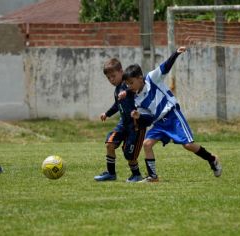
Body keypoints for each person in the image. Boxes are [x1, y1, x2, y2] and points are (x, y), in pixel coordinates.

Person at [121, 46, 222, 182]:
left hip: (172, 116)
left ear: (140, 78)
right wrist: (139, 117)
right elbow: (148, 118)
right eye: (127, 84)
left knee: (188, 145)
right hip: (159, 123)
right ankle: (153, 176)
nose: (129, 86)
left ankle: (212, 159)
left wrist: (176, 54)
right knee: (147, 144)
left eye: (131, 83)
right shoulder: (136, 98)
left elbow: (165, 67)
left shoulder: (152, 78)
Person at [94, 58, 152, 182]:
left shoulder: (129, 84)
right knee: (110, 143)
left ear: (121, 71)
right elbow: (117, 105)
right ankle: (110, 173)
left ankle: (136, 174)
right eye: (108, 78)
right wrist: (107, 114)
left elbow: (134, 89)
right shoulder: (117, 90)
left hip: (136, 126)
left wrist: (125, 91)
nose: (111, 80)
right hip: (123, 123)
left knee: (129, 154)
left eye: (113, 76)